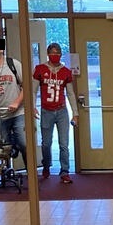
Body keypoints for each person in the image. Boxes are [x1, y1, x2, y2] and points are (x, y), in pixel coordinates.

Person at [33, 42, 78, 184]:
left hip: (61, 110)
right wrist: (33, 106)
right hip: (46, 110)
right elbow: (33, 90)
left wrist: (75, 113)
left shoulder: (65, 72)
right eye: (52, 53)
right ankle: (46, 165)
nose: (55, 55)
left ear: (61, 54)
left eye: (58, 53)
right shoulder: (40, 69)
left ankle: (65, 171)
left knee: (64, 143)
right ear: (48, 54)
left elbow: (70, 93)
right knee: (46, 143)